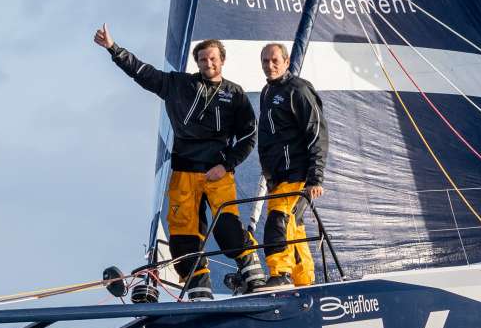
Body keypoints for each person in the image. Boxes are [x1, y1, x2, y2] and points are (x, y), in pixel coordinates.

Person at [93, 24, 266, 300]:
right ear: (196, 63)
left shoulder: (235, 94)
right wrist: (114, 49)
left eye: (213, 58)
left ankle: (253, 276)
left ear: (222, 60)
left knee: (226, 229)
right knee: (183, 235)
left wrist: (227, 163)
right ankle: (199, 288)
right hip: (184, 171)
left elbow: (248, 135)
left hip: (218, 173)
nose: (208, 63)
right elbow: (143, 73)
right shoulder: (179, 85)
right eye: (203, 59)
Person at [256, 42, 328, 288]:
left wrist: (315, 178)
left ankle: (280, 273)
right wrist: (269, 177)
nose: (270, 65)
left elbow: (317, 131)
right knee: (293, 226)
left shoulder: (297, 89)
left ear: (286, 62)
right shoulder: (267, 93)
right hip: (279, 177)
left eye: (275, 60)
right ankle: (303, 279)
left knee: (279, 218)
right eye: (265, 61)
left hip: (298, 173)